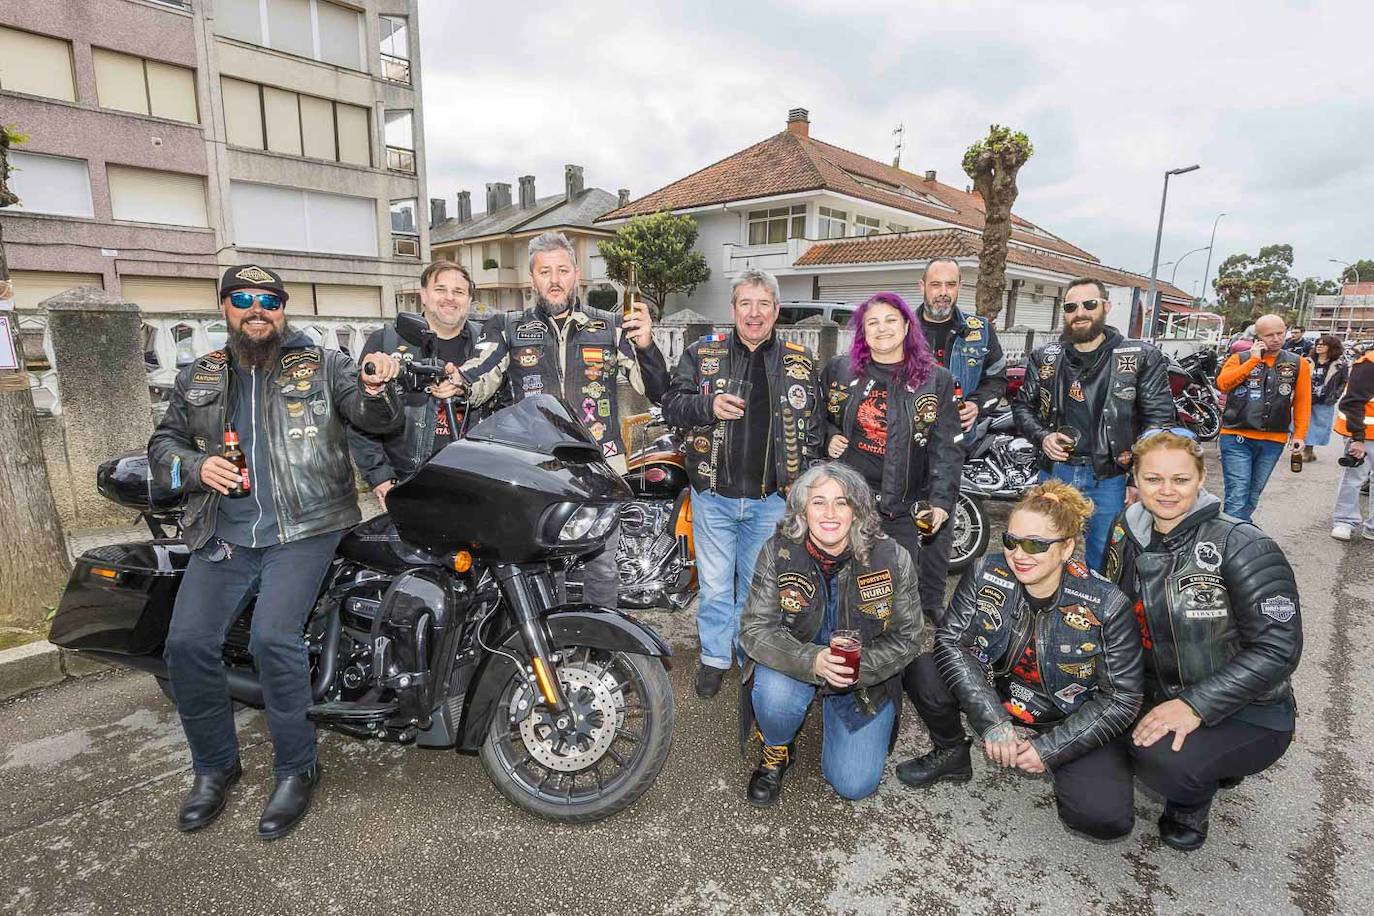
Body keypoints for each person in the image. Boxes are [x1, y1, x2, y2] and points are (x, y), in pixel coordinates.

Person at [150, 264, 402, 838]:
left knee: (273, 638)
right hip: (227, 532)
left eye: (269, 299)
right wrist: (194, 466)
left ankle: (296, 767)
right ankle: (215, 767)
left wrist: (375, 386)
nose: (257, 308)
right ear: (225, 308)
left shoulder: (323, 364)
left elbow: (373, 419)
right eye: (244, 298)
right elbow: (162, 442)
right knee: (186, 643)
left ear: (283, 308)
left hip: (306, 527)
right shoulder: (199, 375)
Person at [895, 479, 1143, 841]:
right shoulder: (984, 571)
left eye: (1036, 544)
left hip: (1065, 713)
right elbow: (950, 640)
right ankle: (952, 753)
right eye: (1011, 540)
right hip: (998, 694)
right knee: (924, 670)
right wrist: (992, 720)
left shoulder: (1106, 603)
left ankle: (1066, 766)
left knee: (1102, 817)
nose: (1018, 554)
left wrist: (1050, 749)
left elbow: (1122, 698)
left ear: (1067, 547)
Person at [1103, 429, 1301, 851]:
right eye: (1153, 479)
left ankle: (1191, 799)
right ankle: (1211, 759)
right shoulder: (1125, 528)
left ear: (1201, 477)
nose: (1167, 491)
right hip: (1156, 686)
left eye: (1180, 479)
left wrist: (1196, 704)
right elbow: (1111, 606)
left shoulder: (1243, 543)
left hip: (1248, 705)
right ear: (1134, 480)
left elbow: (1278, 649)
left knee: (1160, 760)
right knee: (1098, 733)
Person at [457, 231, 669, 608]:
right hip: (537, 468)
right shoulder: (508, 327)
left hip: (600, 466)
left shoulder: (610, 326)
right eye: (544, 272)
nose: (554, 280)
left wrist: (647, 344)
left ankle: (600, 652)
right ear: (532, 278)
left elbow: (655, 388)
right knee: (543, 568)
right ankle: (549, 653)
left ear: (577, 275)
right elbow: (479, 379)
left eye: (562, 270)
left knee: (601, 568)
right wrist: (454, 383)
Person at [661, 268, 823, 698]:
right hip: (713, 495)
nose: (754, 313)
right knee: (714, 588)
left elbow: (816, 428)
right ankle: (715, 658)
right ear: (732, 310)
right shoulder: (701, 353)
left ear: (776, 310)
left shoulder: (799, 360)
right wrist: (709, 405)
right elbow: (672, 405)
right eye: (745, 304)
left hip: (771, 501)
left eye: (763, 304)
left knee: (757, 588)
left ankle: (749, 651)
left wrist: (801, 483)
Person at [736, 463, 922, 804]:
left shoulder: (893, 558)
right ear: (803, 510)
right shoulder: (778, 552)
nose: (830, 513)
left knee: (854, 784)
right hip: (796, 664)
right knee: (775, 698)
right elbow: (754, 629)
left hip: (863, 677)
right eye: (819, 501)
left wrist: (855, 669)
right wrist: (813, 661)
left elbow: (909, 638)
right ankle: (777, 748)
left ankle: (835, 713)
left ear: (858, 509)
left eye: (842, 502)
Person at [1013, 277, 1175, 569]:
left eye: (1089, 304)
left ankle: (1097, 614)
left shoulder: (1140, 357)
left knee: (1105, 557)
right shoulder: (1045, 357)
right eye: (1071, 306)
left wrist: (1138, 478)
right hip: (1056, 473)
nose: (1080, 312)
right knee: (1043, 550)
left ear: (1106, 307)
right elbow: (1023, 407)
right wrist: (1043, 437)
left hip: (1111, 477)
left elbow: (1159, 422)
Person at [822, 291, 961, 619]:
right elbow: (817, 417)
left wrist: (941, 503)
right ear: (862, 331)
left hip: (903, 508)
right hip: (850, 503)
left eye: (890, 321)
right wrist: (830, 436)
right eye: (872, 322)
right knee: (843, 590)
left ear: (906, 327)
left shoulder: (935, 379)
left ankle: (889, 664)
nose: (881, 329)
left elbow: (947, 448)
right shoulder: (840, 370)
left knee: (893, 597)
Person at [914, 257, 1007, 619]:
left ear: (959, 287)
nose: (942, 293)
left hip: (951, 446)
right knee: (901, 525)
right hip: (906, 443)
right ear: (923, 285)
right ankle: (901, 598)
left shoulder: (979, 330)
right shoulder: (902, 326)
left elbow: (997, 378)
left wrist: (977, 405)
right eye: (936, 284)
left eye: (950, 285)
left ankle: (933, 602)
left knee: (942, 522)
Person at [348, 261, 483, 507]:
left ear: (470, 298)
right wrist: (381, 478)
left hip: (474, 484)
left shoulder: (488, 344)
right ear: (423, 295)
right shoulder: (386, 342)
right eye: (440, 289)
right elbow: (359, 417)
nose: (449, 298)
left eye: (459, 291)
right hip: (408, 484)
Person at [1214, 313, 1312, 523]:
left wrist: (1300, 435)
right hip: (1236, 436)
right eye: (1269, 335)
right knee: (1238, 494)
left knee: (1252, 494)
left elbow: (1303, 401)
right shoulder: (1239, 358)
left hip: (1273, 439)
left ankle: (1237, 532)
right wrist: (1253, 360)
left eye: (1280, 333)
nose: (1276, 339)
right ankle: (1232, 541)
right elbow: (1223, 383)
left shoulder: (1298, 363)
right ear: (1257, 337)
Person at [1331, 343, 1374, 541]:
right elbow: (1352, 402)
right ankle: (1344, 521)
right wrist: (1358, 438)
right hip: (1364, 433)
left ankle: (1372, 527)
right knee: (1355, 477)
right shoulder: (1368, 364)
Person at [1305, 335, 1347, 461]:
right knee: (1303, 424)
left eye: (1323, 344)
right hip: (1306, 398)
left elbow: (1344, 382)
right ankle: (1306, 450)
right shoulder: (1308, 361)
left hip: (1325, 400)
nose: (1319, 346)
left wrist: (1335, 396)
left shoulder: (1339, 365)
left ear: (1331, 347)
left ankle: (1308, 450)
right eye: (1318, 344)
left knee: (1317, 426)